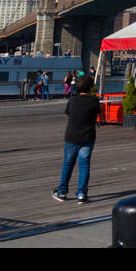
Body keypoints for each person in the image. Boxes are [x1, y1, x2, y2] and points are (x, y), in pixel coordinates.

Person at [53, 75, 100, 204]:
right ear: (91, 88)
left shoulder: (72, 100)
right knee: (84, 165)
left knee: (68, 164)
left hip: (72, 136)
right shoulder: (94, 101)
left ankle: (62, 192)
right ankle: (82, 194)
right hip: (87, 136)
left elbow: (68, 113)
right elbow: (97, 114)